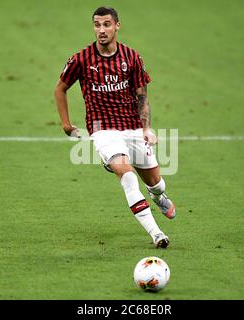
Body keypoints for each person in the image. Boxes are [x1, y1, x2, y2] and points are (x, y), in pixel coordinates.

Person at [54, 6, 176, 248]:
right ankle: (157, 234)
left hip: (131, 126)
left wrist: (147, 128)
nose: (102, 30)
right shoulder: (81, 59)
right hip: (103, 129)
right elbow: (60, 88)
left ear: (117, 26)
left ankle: (158, 196)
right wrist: (66, 123)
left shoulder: (131, 57)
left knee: (155, 182)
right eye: (97, 25)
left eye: (107, 24)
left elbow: (142, 96)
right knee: (128, 177)